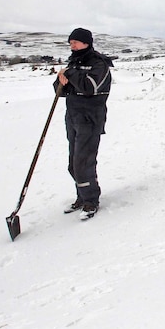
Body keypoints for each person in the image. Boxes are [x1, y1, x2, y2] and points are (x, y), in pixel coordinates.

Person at [55, 27, 114, 220]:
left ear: (86, 42)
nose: (72, 45)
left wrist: (70, 74)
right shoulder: (74, 63)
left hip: (90, 118)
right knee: (73, 163)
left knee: (83, 162)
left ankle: (91, 200)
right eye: (70, 42)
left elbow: (90, 87)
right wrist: (60, 80)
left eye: (76, 42)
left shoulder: (99, 64)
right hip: (73, 116)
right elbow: (62, 91)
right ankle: (81, 196)